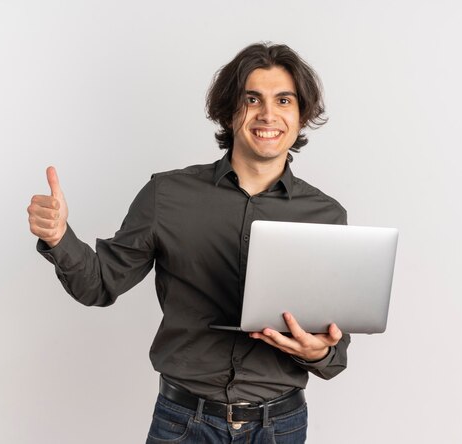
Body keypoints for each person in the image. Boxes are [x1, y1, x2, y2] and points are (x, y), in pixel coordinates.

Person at [28, 42, 351, 443]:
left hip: (280, 427)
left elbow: (334, 354)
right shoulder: (167, 195)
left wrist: (317, 351)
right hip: (183, 423)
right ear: (229, 111)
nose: (268, 114)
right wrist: (59, 238)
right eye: (252, 99)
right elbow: (99, 284)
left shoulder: (327, 216)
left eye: (283, 100)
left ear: (300, 115)